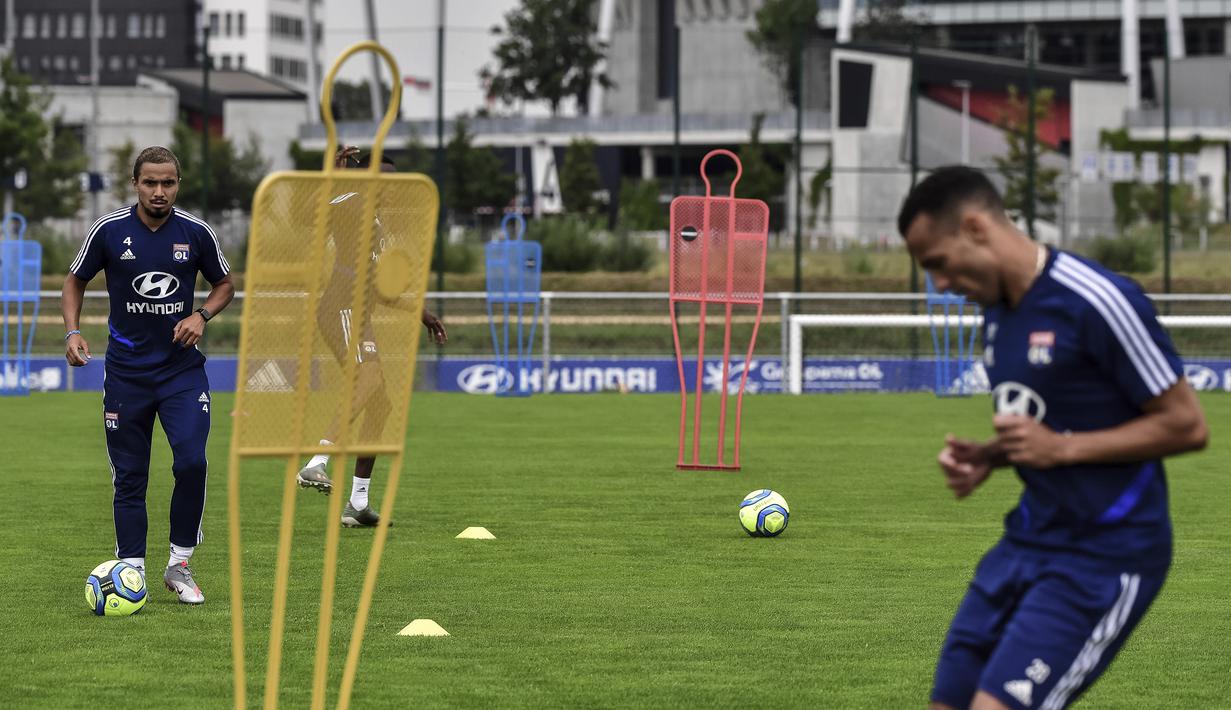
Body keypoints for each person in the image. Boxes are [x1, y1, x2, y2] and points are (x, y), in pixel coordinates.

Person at [897, 166, 1208, 710]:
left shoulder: (1098, 300)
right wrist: (990, 456)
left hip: (1106, 554)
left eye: (937, 264)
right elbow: (1056, 421)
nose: (940, 285)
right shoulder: (997, 315)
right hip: (1026, 540)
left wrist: (1059, 449)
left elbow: (1186, 424)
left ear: (975, 228)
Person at [63, 146, 235, 604]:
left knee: (192, 462)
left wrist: (201, 316)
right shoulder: (109, 229)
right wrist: (73, 331)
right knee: (130, 475)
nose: (159, 192)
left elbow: (225, 285)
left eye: (168, 183)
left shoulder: (196, 233)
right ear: (135, 183)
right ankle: (132, 569)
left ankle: (179, 565)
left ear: (178, 184)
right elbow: (74, 280)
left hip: (181, 374)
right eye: (150, 183)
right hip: (125, 376)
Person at [294, 145, 447, 527]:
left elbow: (379, 289)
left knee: (380, 406)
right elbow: (305, 217)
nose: (393, 189)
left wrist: (421, 314)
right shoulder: (353, 201)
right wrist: (334, 174)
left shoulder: (375, 222)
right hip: (342, 308)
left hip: (359, 311)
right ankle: (317, 459)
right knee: (370, 380)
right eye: (387, 180)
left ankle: (358, 504)